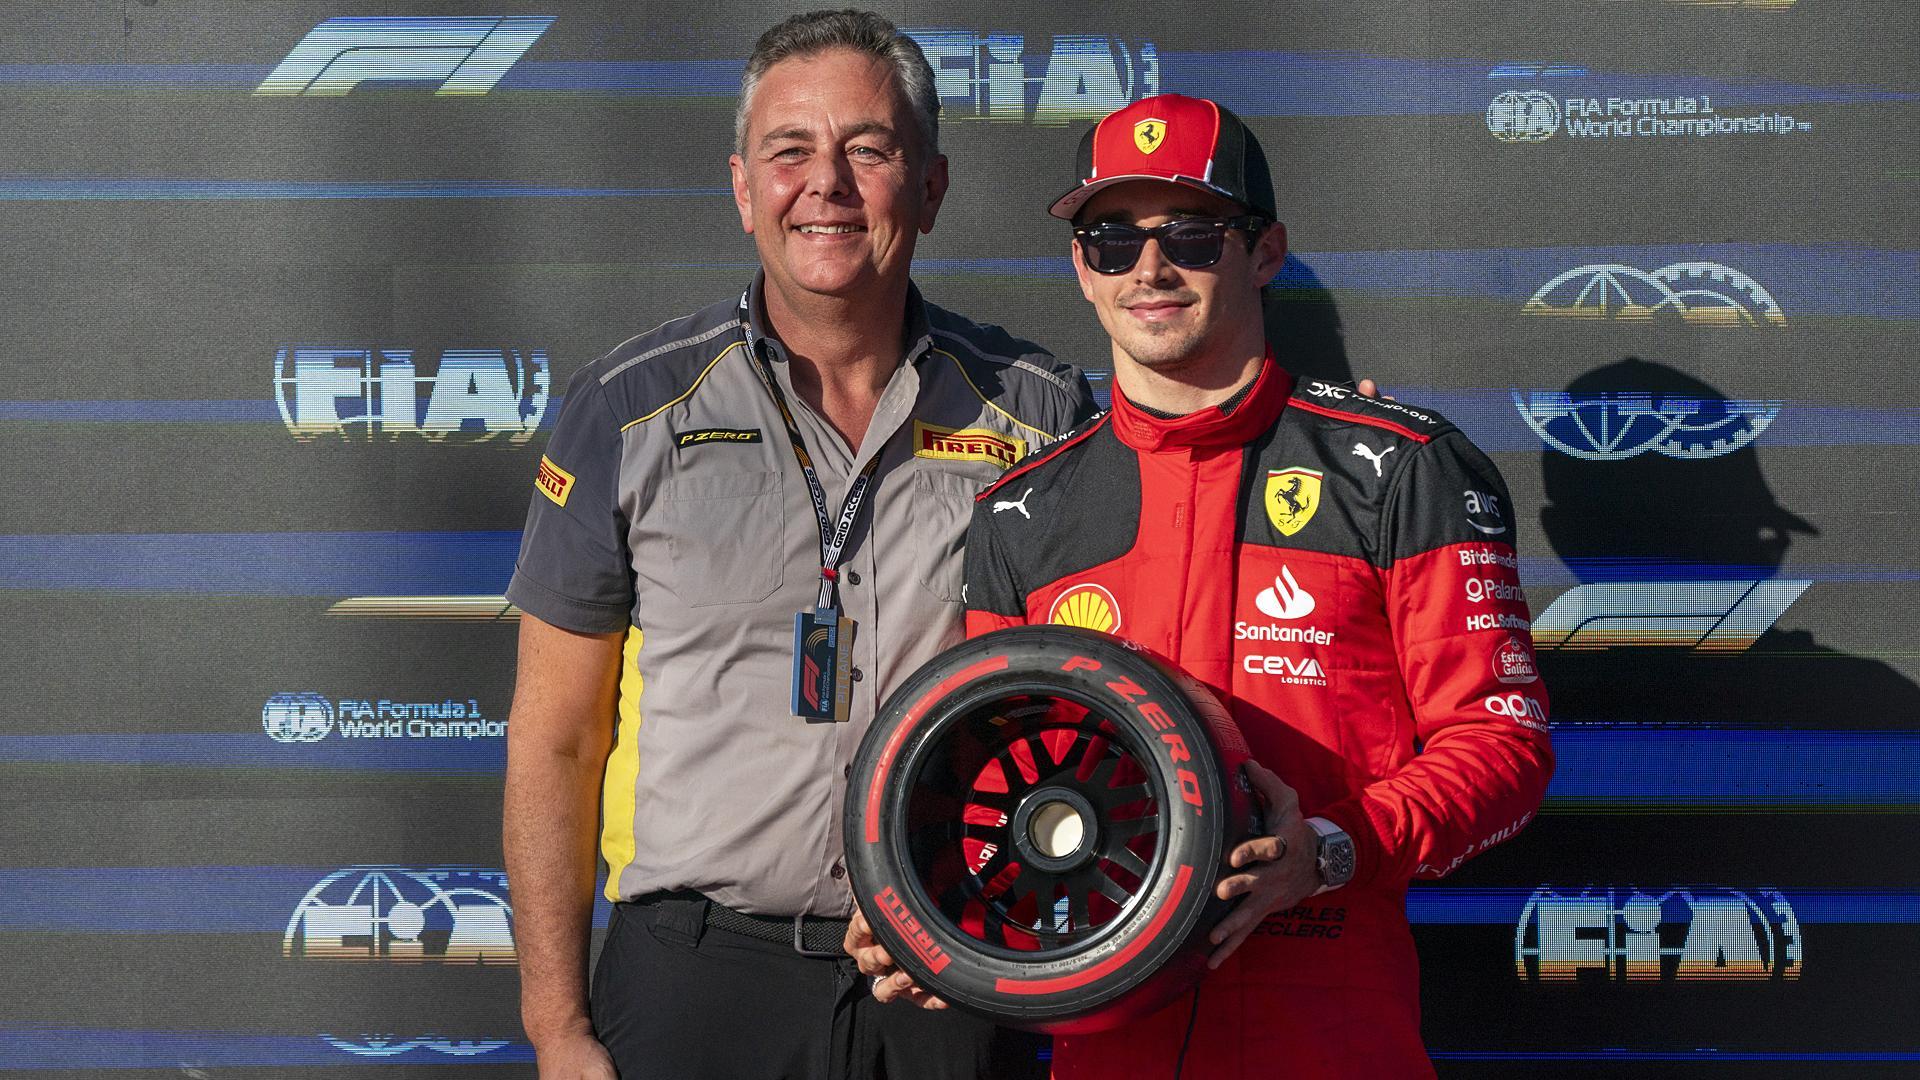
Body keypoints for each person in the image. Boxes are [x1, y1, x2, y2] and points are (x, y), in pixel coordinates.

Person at [850, 93, 1556, 1077]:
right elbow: (986, 772)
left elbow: (1502, 747)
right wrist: (937, 928)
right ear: (1081, 271)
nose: (1149, 268)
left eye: (1192, 233)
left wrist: (1333, 846)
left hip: (1330, 1030)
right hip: (1111, 1040)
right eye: (1110, 240)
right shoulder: (1023, 511)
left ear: (1263, 253)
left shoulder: (1400, 470)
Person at [501, 11, 1096, 1079]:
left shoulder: (1044, 414)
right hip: (695, 975)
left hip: (951, 965)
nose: (826, 183)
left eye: (868, 149)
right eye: (791, 151)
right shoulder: (628, 409)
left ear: (931, 185)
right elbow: (554, 742)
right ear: (743, 188)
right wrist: (556, 1027)